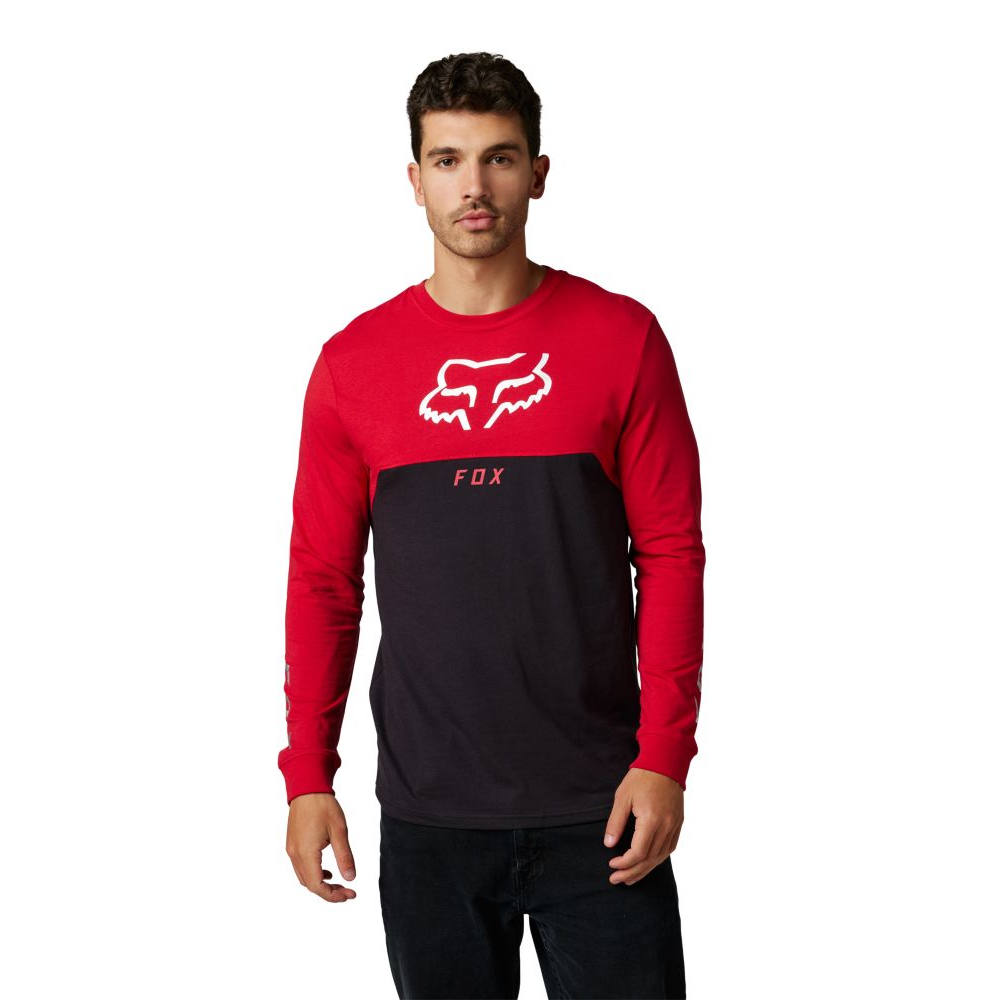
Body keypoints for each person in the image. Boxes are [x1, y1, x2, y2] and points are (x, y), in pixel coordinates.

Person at [280, 51, 705, 1000]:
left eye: (500, 158)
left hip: (605, 806)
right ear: (415, 179)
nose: (473, 185)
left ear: (538, 173)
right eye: (448, 159)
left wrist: (664, 757)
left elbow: (672, 555)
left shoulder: (622, 340)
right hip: (430, 814)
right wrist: (308, 774)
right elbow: (323, 581)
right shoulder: (354, 365)